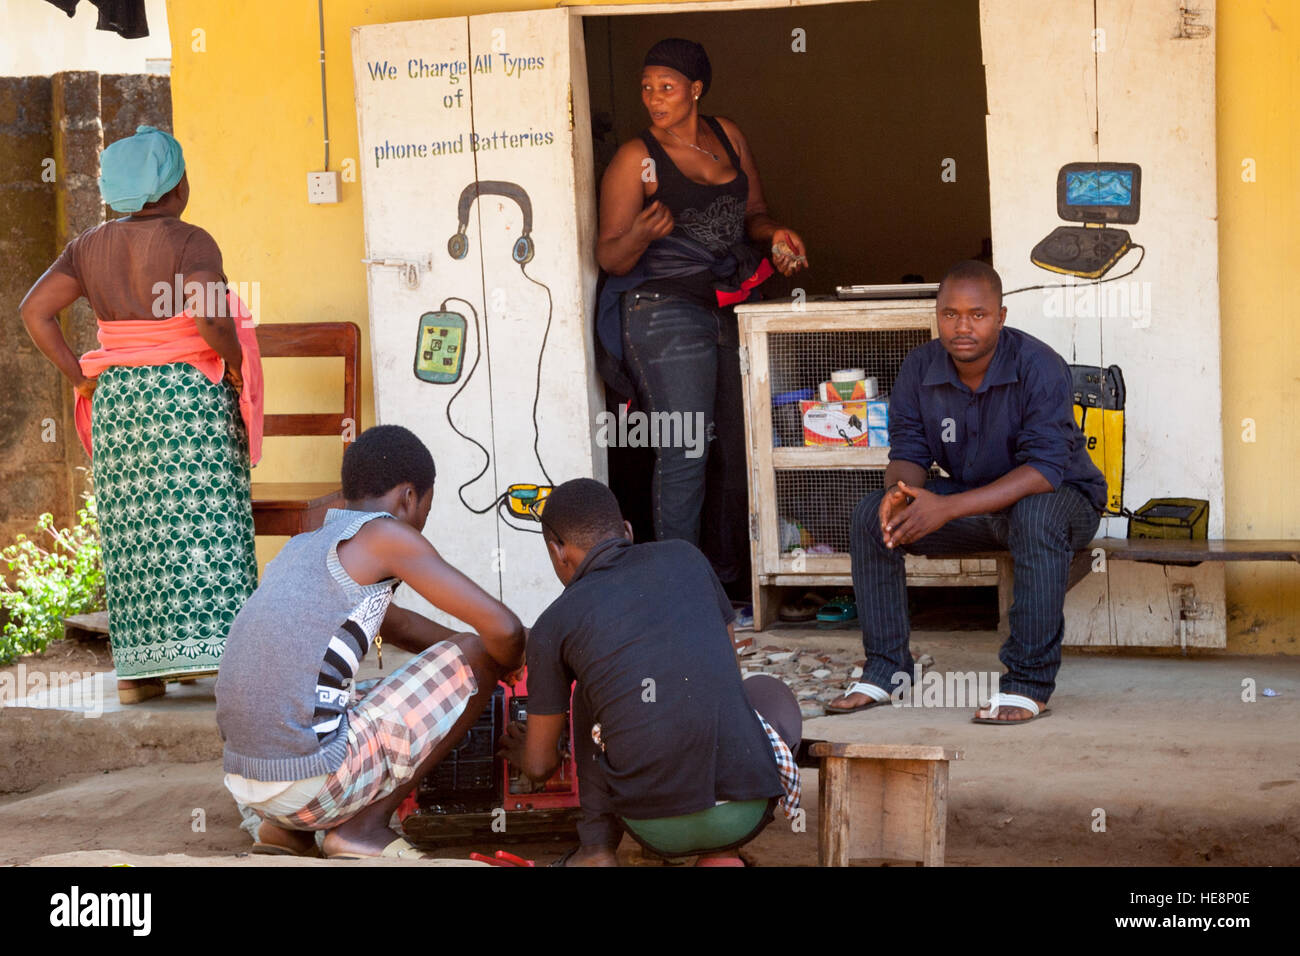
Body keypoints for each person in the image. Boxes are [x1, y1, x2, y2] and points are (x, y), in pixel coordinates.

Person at [19, 125, 262, 704]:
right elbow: (208, 320)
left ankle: (137, 674)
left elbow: (34, 311)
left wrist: (80, 374)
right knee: (210, 523)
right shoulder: (192, 241)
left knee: (136, 531)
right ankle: (229, 661)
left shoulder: (87, 246)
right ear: (176, 186)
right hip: (186, 398)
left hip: (122, 403)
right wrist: (233, 364)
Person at [215, 425, 526, 860]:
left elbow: (397, 626)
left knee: (435, 664)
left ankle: (285, 833)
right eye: (426, 508)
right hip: (314, 782)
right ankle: (362, 829)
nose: (421, 521)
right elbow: (505, 631)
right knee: (476, 655)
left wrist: (464, 650)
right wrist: (505, 660)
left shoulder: (304, 547)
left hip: (248, 780)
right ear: (408, 497)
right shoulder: (387, 535)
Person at [828, 261, 1107, 723]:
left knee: (1036, 515)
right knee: (870, 517)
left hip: (1061, 501)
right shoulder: (919, 367)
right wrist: (902, 494)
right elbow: (909, 452)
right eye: (950, 314)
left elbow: (1043, 469)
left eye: (977, 315)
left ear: (1000, 316)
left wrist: (946, 507)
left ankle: (1027, 683)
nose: (962, 327)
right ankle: (885, 669)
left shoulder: (1040, 365)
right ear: (936, 316)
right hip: (975, 501)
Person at [594, 37, 808, 599]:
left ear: (696, 89)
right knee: (685, 447)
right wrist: (641, 231)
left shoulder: (728, 135)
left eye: (666, 87)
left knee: (739, 449)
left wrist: (776, 235)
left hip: (728, 305)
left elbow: (754, 215)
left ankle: (729, 585)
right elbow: (610, 255)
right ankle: (678, 594)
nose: (653, 98)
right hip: (662, 310)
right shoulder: (634, 159)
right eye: (646, 87)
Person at [497, 478, 801, 866]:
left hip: (652, 824)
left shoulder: (553, 623)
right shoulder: (687, 558)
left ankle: (597, 851)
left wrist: (527, 753)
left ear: (558, 551)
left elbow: (539, 766)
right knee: (766, 691)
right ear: (627, 531)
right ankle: (721, 853)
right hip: (746, 812)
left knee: (590, 693)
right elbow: (727, 669)